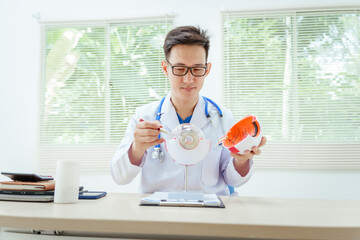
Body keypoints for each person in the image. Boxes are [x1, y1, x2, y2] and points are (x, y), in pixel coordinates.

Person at [111, 26, 267, 195]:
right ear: (165, 69)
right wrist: (137, 148)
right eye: (179, 69)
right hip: (159, 213)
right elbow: (120, 177)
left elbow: (234, 180)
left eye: (197, 69)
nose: (188, 79)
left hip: (209, 213)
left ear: (207, 70)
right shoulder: (144, 117)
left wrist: (241, 160)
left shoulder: (223, 118)